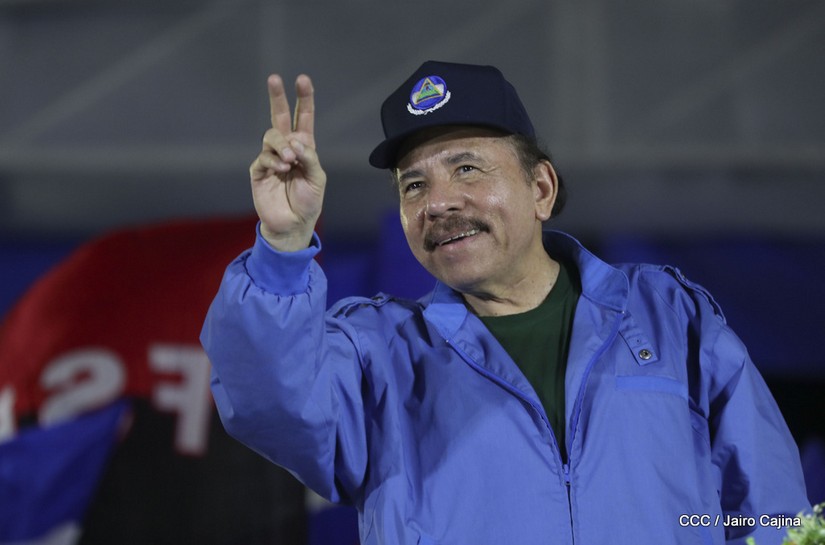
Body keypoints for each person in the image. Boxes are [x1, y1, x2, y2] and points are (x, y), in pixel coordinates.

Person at [201, 60, 809, 545]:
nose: (437, 202)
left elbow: (772, 513)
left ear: (540, 188)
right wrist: (282, 245)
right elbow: (267, 400)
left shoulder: (670, 317)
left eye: (467, 168)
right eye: (414, 185)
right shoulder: (377, 354)